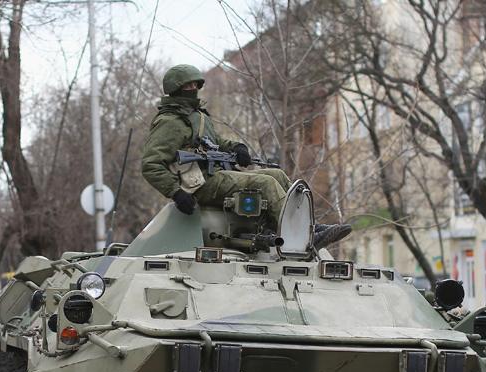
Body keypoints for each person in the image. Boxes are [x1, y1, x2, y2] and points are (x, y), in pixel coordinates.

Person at [141, 64, 352, 249]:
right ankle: (301, 236)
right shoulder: (170, 121)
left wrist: (237, 148)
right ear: (176, 89)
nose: (193, 90)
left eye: (196, 85)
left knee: (276, 174)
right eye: (188, 86)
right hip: (198, 185)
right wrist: (177, 193)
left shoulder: (198, 117)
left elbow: (216, 144)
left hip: (215, 175)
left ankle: (309, 227)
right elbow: (151, 164)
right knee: (264, 183)